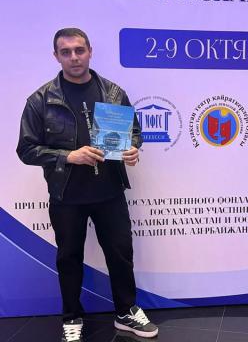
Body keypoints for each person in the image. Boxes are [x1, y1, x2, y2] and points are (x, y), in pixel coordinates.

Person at [16, 28, 158, 341]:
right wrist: (69, 156)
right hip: (67, 195)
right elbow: (26, 150)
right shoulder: (41, 100)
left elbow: (134, 132)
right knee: (69, 258)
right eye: (66, 52)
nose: (74, 57)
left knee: (121, 254)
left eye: (79, 50)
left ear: (90, 51)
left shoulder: (113, 93)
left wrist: (133, 148)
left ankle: (126, 312)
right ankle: (72, 317)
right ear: (56, 56)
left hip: (110, 191)